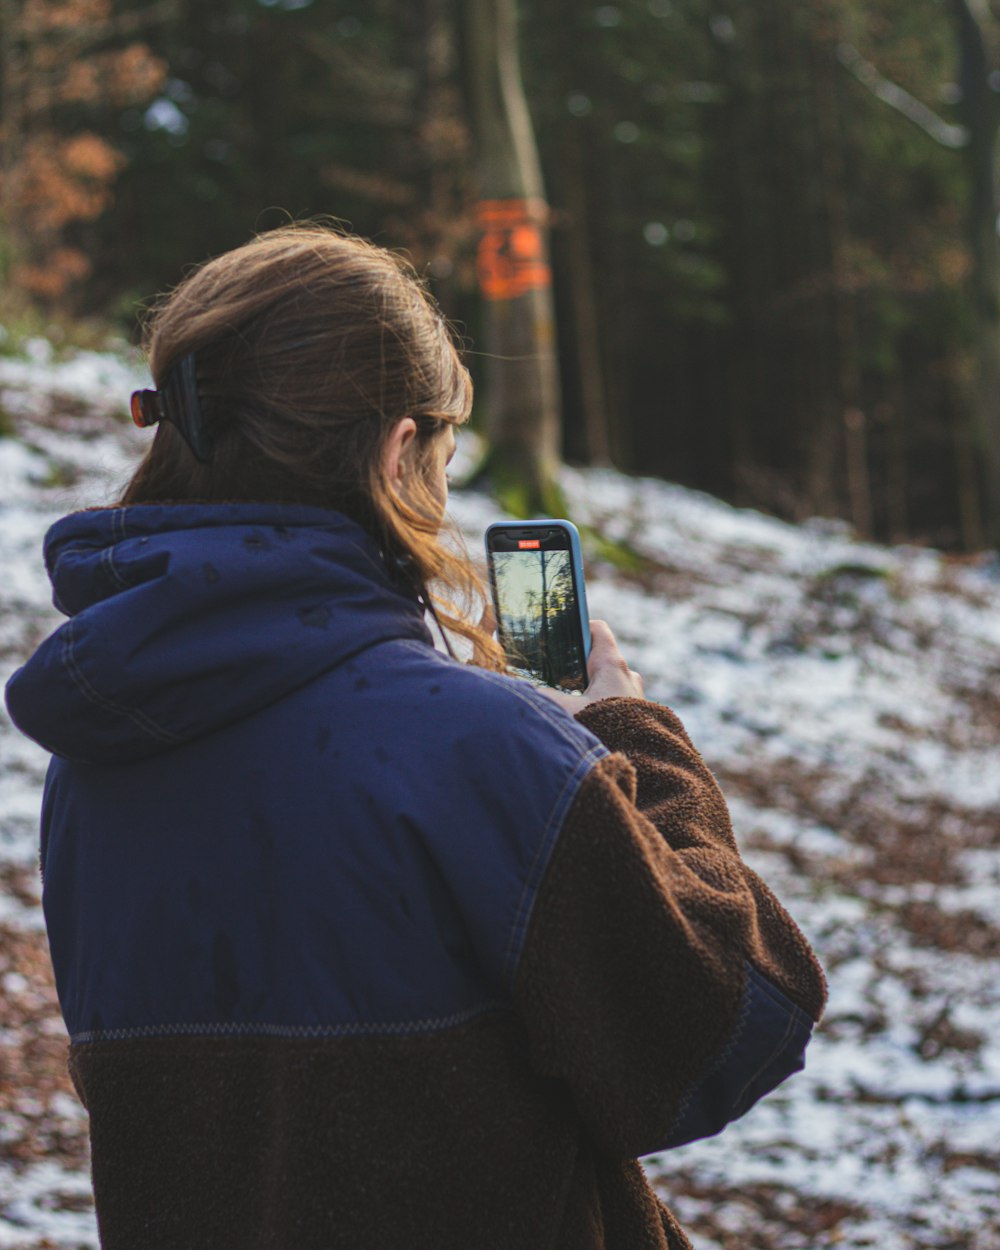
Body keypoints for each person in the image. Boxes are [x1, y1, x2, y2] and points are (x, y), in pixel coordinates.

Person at [5, 224, 826, 1250]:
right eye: (441, 445)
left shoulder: (99, 751)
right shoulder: (484, 748)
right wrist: (630, 740)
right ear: (398, 451)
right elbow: (726, 1026)